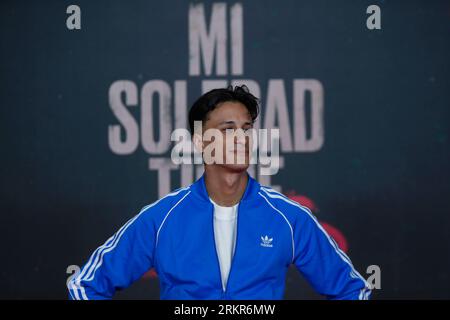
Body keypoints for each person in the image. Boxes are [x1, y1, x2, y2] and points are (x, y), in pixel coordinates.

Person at [68, 85, 371, 300]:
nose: (241, 138)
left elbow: (352, 290)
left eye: (247, 128)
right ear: (200, 141)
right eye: (228, 129)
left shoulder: (289, 219)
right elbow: (86, 286)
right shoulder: (161, 219)